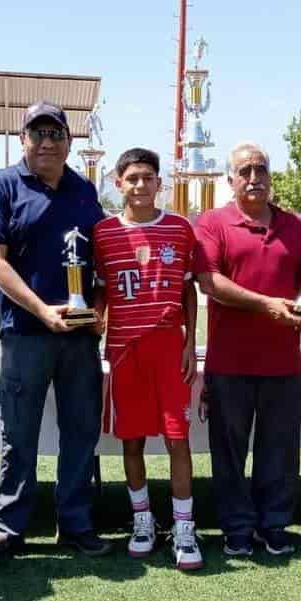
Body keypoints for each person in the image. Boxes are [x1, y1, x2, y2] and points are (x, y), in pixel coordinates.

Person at [0, 101, 110, 563]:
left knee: (80, 431)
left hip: (78, 338)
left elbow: (101, 265)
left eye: (56, 134)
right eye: (38, 134)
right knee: (19, 434)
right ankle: (9, 529)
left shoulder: (84, 191)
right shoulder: (2, 187)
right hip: (25, 334)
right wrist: (41, 310)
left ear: (69, 142)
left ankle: (74, 524)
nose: (47, 142)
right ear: (23, 140)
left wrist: (98, 309)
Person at [194, 141, 301, 557]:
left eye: (260, 169)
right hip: (231, 362)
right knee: (229, 451)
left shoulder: (294, 225)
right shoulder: (212, 223)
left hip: (283, 361)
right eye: (244, 171)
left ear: (270, 176)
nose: (253, 177)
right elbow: (210, 282)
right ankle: (237, 527)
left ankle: (273, 523)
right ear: (230, 180)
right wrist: (267, 305)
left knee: (279, 451)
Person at [92, 147, 202, 569]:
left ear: (160, 183)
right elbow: (101, 288)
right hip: (124, 349)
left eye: (148, 178)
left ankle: (184, 527)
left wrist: (191, 342)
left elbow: (188, 289)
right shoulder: (103, 233)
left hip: (167, 347)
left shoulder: (179, 228)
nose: (140, 185)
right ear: (119, 183)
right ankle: (142, 520)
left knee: (178, 438)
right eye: (132, 178)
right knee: (132, 439)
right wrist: (98, 314)